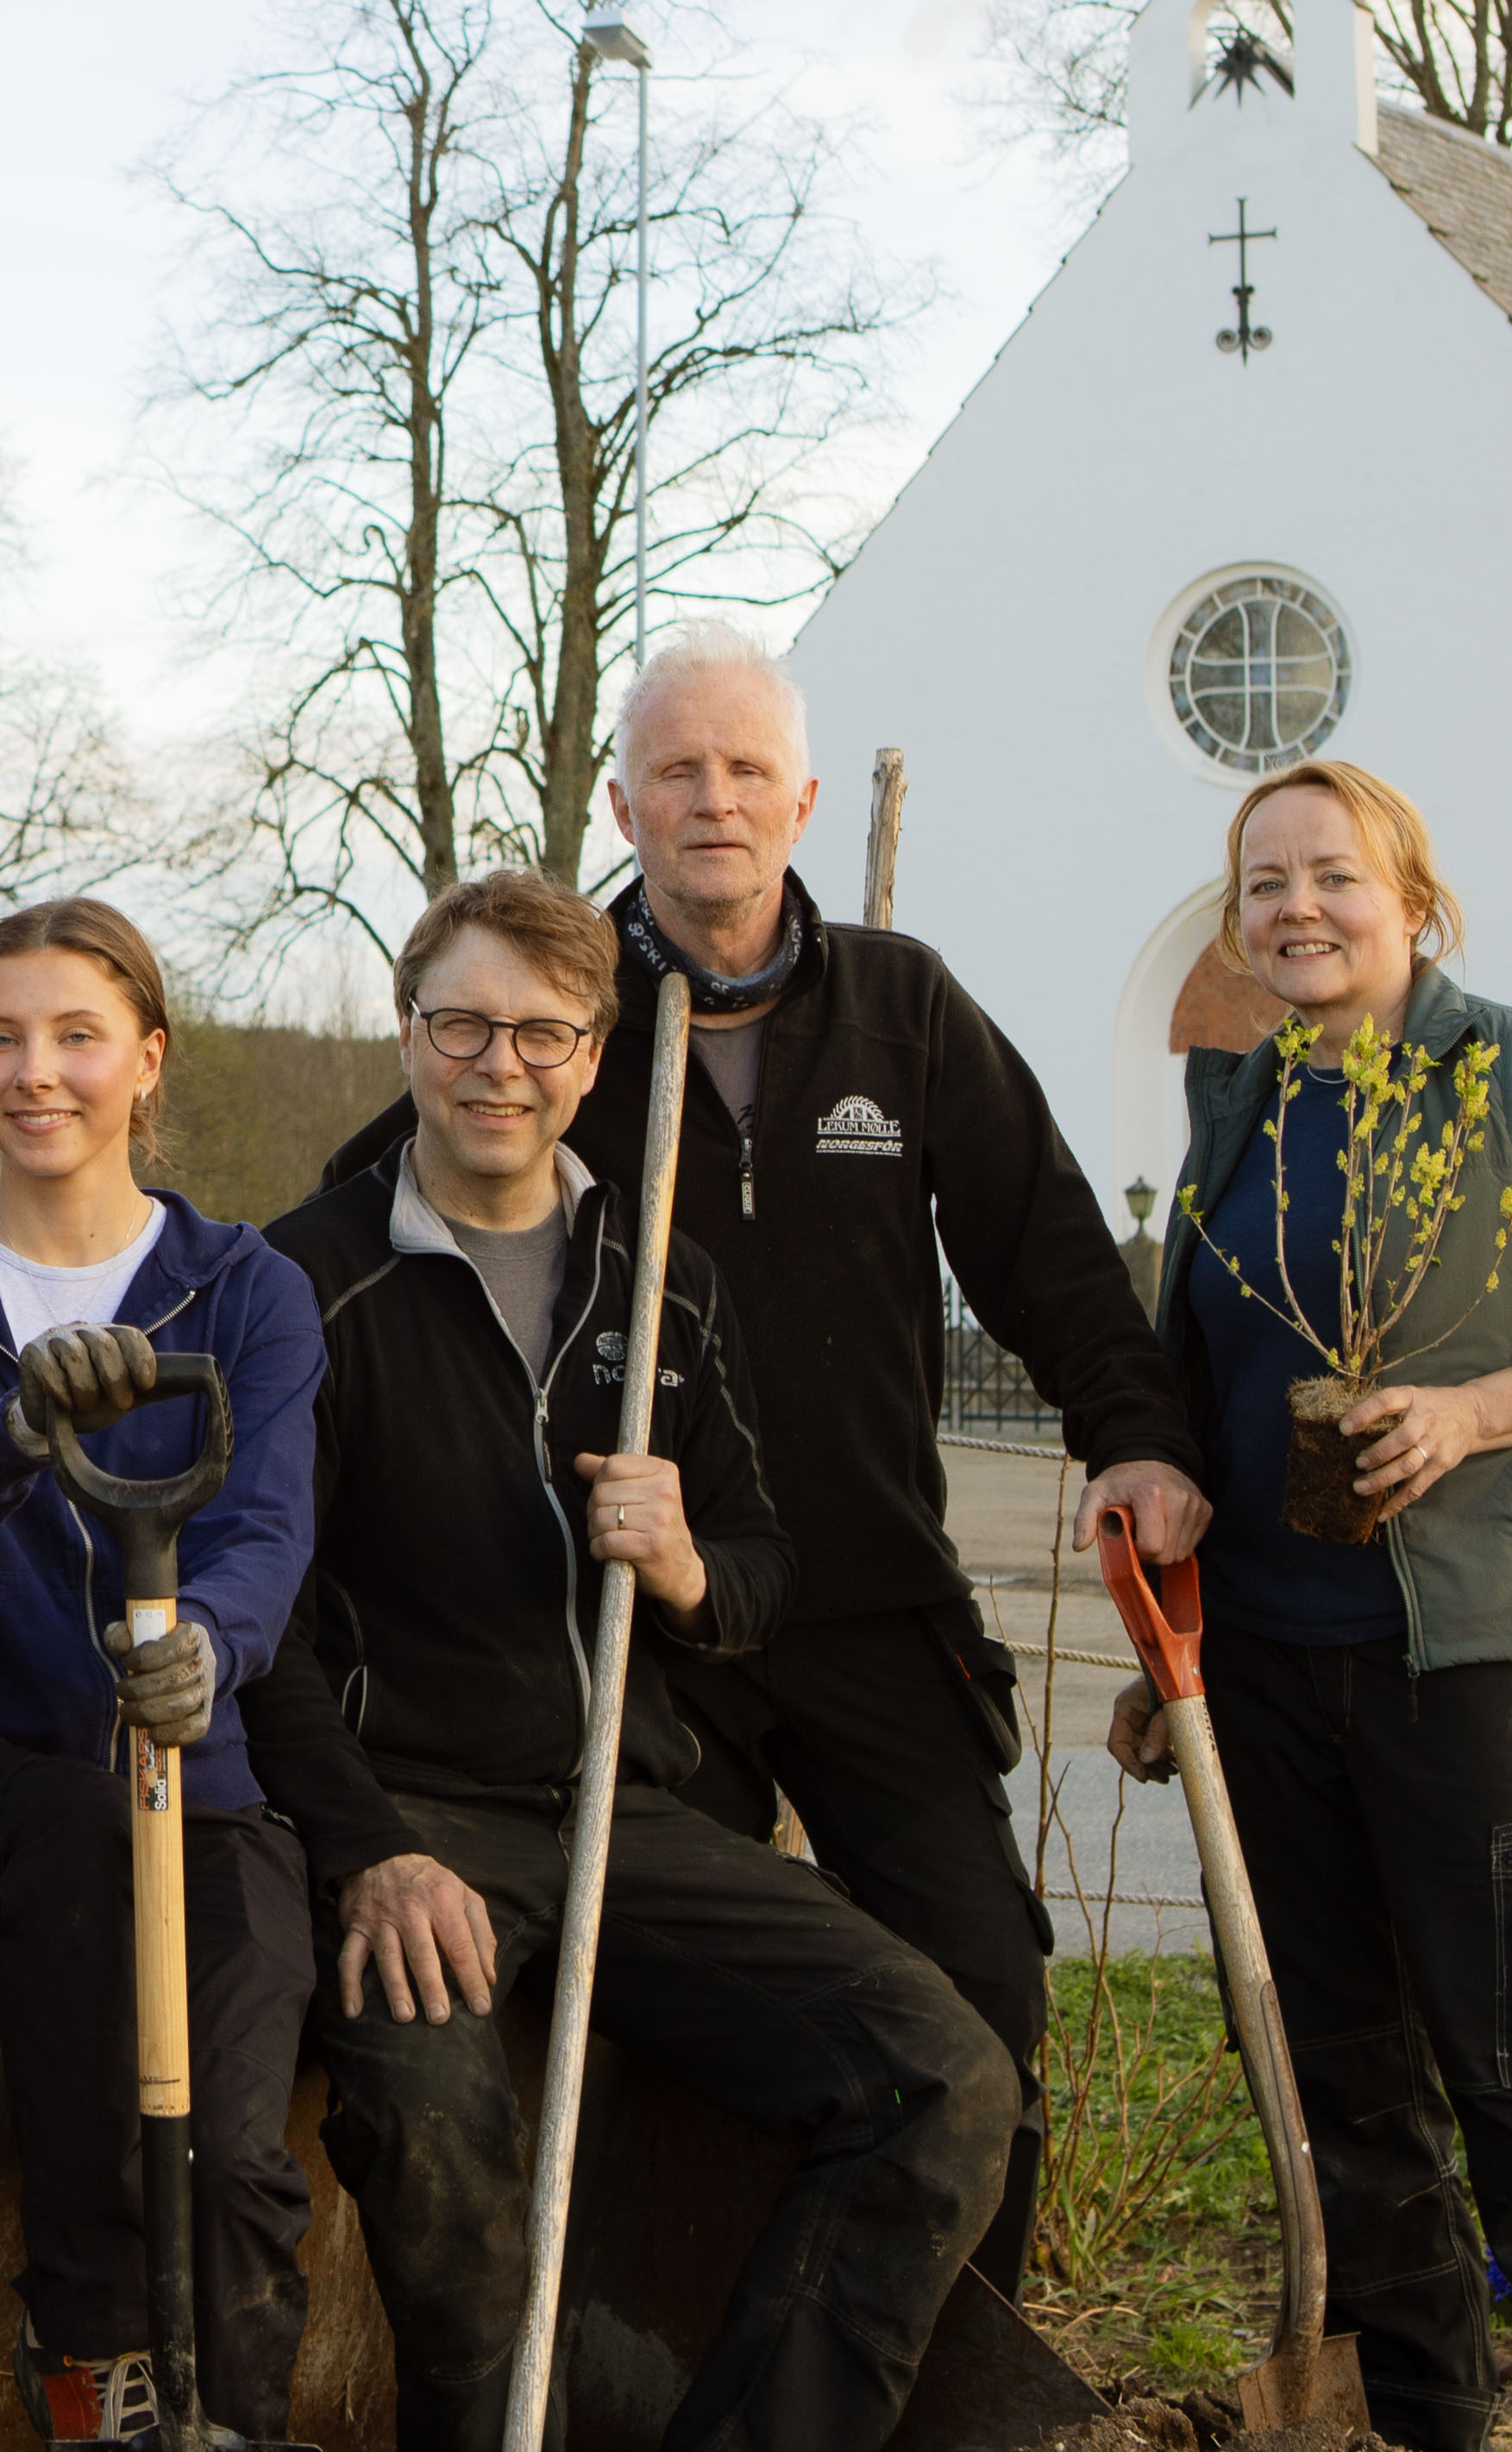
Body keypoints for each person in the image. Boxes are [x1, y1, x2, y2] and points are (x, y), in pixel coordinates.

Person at [315, 625, 1207, 2298]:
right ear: (622, 798)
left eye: (741, 770)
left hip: (866, 1594)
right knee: (676, 2014)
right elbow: (371, 1215)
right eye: (674, 769)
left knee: (978, 1997)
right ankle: (683, 2350)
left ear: (798, 799)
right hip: (643, 1631)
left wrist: (1138, 1438)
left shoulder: (900, 1006)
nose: (709, 799)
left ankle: (954, 2381)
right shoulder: (564, 1014)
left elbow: (1050, 1260)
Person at [249, 869, 1019, 2452]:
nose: (498, 1062)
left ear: (596, 1054)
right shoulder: (306, 1283)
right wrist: (370, 1851)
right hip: (414, 1813)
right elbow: (257, 1629)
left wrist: (678, 1562)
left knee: (941, 2074)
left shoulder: (658, 1274)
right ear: (408, 1035)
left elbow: (760, 1579)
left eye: (542, 1030)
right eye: (461, 1021)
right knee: (447, 2140)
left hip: (619, 1812)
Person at [1113, 758, 1512, 2451]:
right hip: (1270, 1682)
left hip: (1477, 1671)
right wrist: (1164, 1640)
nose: (1293, 907)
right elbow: (1191, 1394)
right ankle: (1428, 2425)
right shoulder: (1239, 1106)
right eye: (1260, 885)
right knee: (1341, 2096)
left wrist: (1466, 1411)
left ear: (1413, 904)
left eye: (1331, 877)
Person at [0, 898, 327, 2447]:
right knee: (78, 1839)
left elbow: (269, 1527)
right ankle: (96, 2367)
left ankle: (232, 2419)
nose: (38, 1072)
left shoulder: (242, 1291)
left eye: (78, 1036)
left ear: (147, 1062)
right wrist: (17, 1425)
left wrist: (205, 1648)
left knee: (231, 2153)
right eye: (1, 1037)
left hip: (201, 1771)